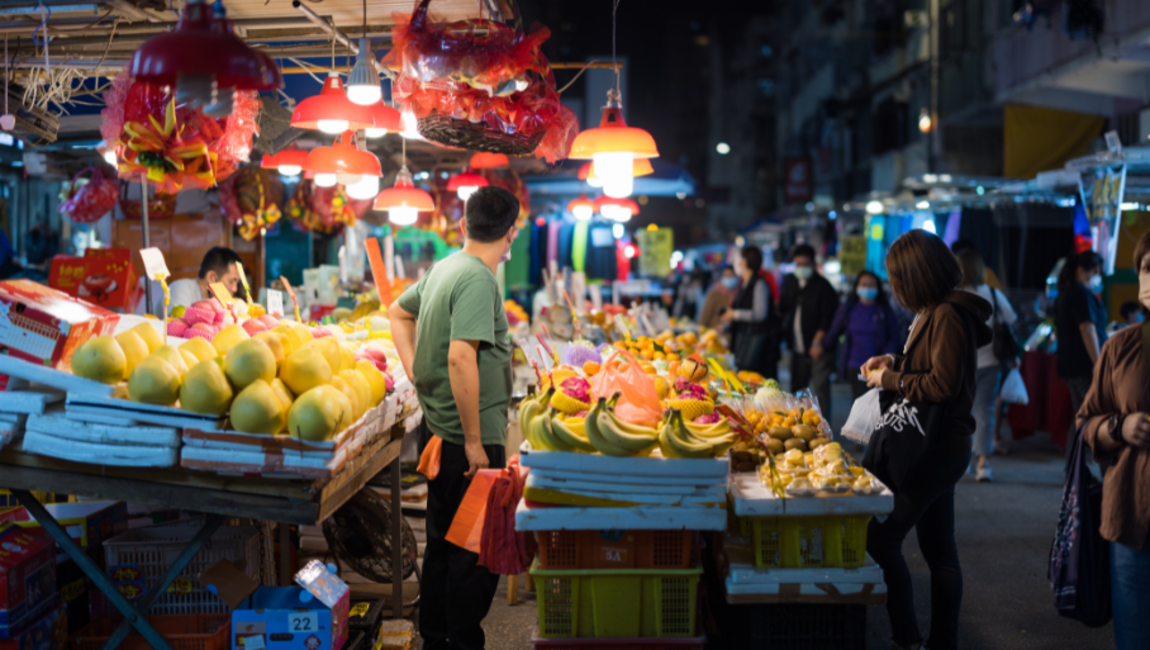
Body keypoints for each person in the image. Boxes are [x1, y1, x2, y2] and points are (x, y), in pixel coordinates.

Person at [389, 186, 519, 650]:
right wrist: (474, 441)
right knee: (474, 552)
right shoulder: (479, 279)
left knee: (444, 542)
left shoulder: (444, 267)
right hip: (469, 438)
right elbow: (461, 356)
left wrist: (415, 371)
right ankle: (462, 642)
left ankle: (435, 636)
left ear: (463, 225)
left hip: (439, 431)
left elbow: (397, 313)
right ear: (511, 234)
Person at [860, 230, 992, 650]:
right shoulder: (934, 310)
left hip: (937, 447)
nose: (894, 289)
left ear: (916, 276)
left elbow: (942, 384)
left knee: (881, 540)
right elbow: (929, 364)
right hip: (938, 444)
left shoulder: (948, 314)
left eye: (897, 280)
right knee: (939, 553)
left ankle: (908, 639)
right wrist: (893, 361)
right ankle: (940, 643)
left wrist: (889, 379)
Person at [1077, 230, 1150, 650]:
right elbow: (1086, 422)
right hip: (1132, 521)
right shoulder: (1121, 346)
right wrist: (1120, 427)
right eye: (1147, 268)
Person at [956, 248, 1017, 482]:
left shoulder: (953, 296)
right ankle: (984, 463)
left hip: (960, 364)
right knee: (985, 411)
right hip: (991, 361)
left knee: (960, 412)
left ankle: (963, 460)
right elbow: (1011, 319)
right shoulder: (992, 293)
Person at [1054, 250, 1107, 458]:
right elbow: (1087, 328)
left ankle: (1074, 467)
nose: (1097, 277)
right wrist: (1098, 362)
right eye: (1095, 272)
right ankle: (1106, 469)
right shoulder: (1081, 294)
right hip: (1084, 365)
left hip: (1069, 364)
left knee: (1082, 416)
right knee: (1097, 416)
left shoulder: (1064, 293)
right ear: (1083, 271)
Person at [778, 243, 839, 416]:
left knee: (820, 391)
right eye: (798, 264)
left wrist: (817, 342)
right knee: (797, 389)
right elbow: (783, 307)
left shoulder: (824, 287)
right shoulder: (790, 282)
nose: (801, 268)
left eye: (805, 264)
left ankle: (823, 426)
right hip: (796, 347)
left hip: (818, 348)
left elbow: (827, 318)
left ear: (813, 264)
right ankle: (797, 424)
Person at [824, 270, 902, 400]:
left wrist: (887, 357)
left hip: (878, 366)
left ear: (878, 288)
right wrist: (823, 346)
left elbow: (895, 337)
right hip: (854, 365)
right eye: (864, 284)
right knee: (861, 400)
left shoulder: (884, 311)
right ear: (857, 287)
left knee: (876, 402)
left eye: (871, 285)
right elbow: (834, 330)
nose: (867, 288)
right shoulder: (848, 308)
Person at [721, 246, 781, 379]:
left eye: (738, 258)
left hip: (758, 346)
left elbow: (760, 313)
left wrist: (735, 314)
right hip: (745, 340)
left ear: (744, 262)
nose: (736, 262)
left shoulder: (759, 283)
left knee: (756, 380)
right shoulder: (744, 283)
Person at [150, 246, 243, 314]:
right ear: (212, 277)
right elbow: (179, 325)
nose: (235, 289)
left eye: (237, 283)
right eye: (231, 281)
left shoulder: (215, 300)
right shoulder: (182, 288)